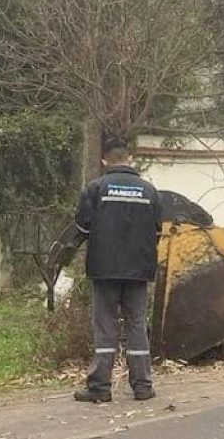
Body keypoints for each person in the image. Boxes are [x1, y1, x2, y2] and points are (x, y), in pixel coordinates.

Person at [72, 137, 162, 403]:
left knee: (105, 327)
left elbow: (82, 228)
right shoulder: (150, 191)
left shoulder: (95, 189)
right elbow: (157, 231)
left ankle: (100, 387)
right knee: (136, 325)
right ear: (130, 159)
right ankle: (143, 386)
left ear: (104, 161)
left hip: (104, 270)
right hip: (139, 271)